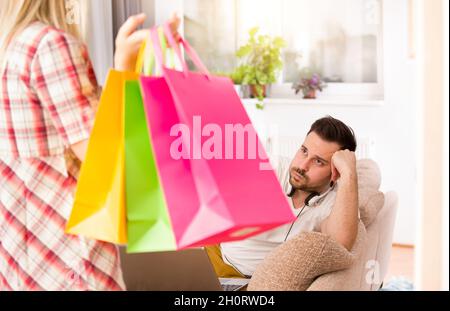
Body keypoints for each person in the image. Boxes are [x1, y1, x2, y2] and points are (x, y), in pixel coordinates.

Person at [0, 0, 180, 290]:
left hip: (24, 257)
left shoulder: (12, 45)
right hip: (69, 259)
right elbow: (101, 156)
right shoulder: (50, 45)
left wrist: (124, 63)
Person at [206, 116, 360, 278]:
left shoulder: (338, 201)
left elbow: (342, 245)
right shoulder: (272, 167)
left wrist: (349, 174)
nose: (302, 166)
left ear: (335, 172)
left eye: (318, 162)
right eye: (304, 151)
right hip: (216, 256)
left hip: (251, 281)